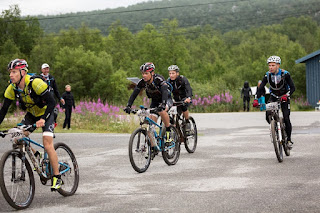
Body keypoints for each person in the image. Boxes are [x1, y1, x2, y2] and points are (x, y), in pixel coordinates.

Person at [0, 59, 63, 190]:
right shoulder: (12, 88)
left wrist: (44, 119)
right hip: (32, 115)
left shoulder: (36, 83)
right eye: (10, 72)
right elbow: (3, 110)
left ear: (23, 72)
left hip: (48, 112)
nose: (11, 75)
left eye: (14, 72)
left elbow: (52, 102)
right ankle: (36, 155)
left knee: (47, 143)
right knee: (17, 137)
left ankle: (57, 178)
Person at [124, 62, 173, 150]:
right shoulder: (142, 82)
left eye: (146, 73)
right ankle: (154, 147)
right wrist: (128, 106)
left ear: (152, 73)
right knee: (150, 125)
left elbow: (165, 91)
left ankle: (169, 133)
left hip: (166, 99)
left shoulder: (158, 79)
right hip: (155, 102)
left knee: (162, 111)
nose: (144, 76)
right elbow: (134, 94)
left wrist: (163, 104)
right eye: (143, 73)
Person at [253, 55, 295, 148]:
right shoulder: (267, 75)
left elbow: (292, 88)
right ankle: (275, 128)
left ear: (278, 65)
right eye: (269, 65)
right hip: (273, 96)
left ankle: (288, 139)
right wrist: (256, 99)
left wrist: (286, 95)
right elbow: (260, 88)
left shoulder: (285, 74)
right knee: (267, 115)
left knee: (286, 118)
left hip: (284, 97)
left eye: (273, 65)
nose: (270, 67)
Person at [167, 65, 193, 132]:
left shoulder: (182, 79)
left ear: (177, 73)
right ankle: (175, 131)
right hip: (175, 100)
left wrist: (188, 98)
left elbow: (188, 89)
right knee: (174, 116)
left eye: (173, 73)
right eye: (170, 73)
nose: (171, 75)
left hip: (184, 99)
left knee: (183, 106)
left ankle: (187, 122)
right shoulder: (169, 81)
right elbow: (166, 91)